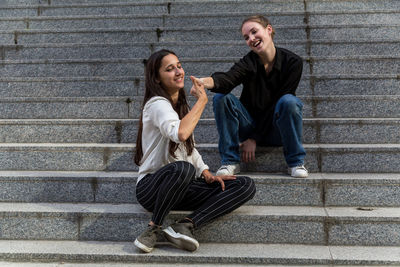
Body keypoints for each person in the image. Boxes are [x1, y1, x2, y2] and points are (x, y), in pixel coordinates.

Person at [133, 49, 256, 253]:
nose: (178, 71)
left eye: (179, 66)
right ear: (156, 78)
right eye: (170, 69)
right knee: (182, 169)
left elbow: (189, 148)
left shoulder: (179, 105)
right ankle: (153, 229)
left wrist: (206, 173)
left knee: (245, 185)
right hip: (151, 188)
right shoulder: (156, 105)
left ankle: (186, 225)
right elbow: (180, 134)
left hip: (180, 187)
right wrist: (202, 101)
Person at [195, 15, 308, 178]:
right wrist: (205, 82)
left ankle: (296, 162)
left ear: (269, 30)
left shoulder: (293, 62)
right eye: (246, 37)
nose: (251, 39)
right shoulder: (249, 62)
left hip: (277, 130)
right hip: (249, 126)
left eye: (254, 32)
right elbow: (228, 79)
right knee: (221, 97)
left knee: (289, 101)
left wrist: (254, 139)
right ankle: (230, 161)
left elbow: (279, 102)